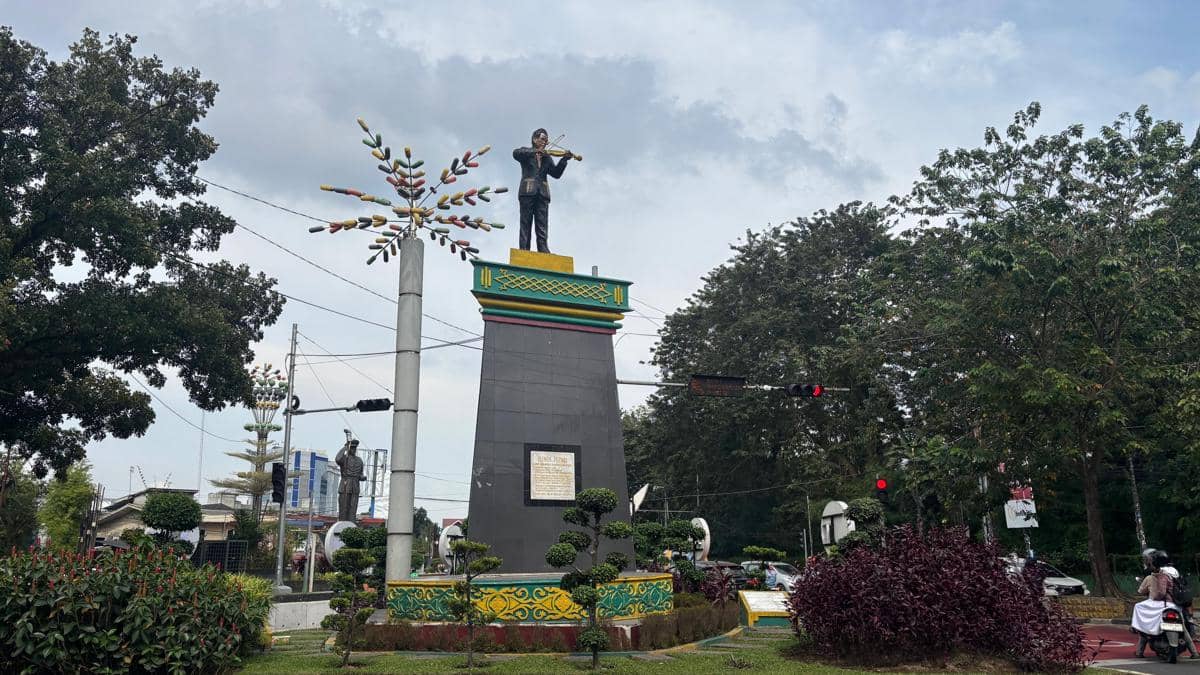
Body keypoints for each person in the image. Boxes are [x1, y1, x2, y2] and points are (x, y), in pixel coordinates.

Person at [512, 128, 572, 253]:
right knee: (526, 222)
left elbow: (556, 174)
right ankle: (524, 249)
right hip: (528, 190)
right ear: (535, 139)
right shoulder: (526, 153)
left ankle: (543, 248)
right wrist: (535, 151)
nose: (545, 142)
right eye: (543, 139)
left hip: (543, 193)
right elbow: (516, 153)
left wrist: (564, 160)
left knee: (542, 223)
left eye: (546, 140)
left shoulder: (547, 157)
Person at [1160, 551, 1200, 658]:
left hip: (1168, 603)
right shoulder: (1175, 572)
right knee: (1185, 627)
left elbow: (1160, 591)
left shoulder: (1162, 572)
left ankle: (1140, 651)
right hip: (1180, 602)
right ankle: (1194, 652)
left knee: (1146, 620)